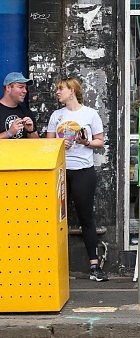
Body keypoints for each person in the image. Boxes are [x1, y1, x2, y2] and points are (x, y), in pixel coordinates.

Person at [47, 77, 107, 281]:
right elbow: (48, 144)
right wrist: (59, 144)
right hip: (61, 171)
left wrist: (86, 142)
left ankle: (94, 266)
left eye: (60, 89)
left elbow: (100, 141)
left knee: (85, 217)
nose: (57, 92)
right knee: (56, 218)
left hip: (83, 171)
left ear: (72, 90)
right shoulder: (56, 115)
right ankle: (55, 266)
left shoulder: (90, 114)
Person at [1, 72, 39, 139]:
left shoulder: (26, 112)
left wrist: (31, 131)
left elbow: (37, 144)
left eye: (25, 88)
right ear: (8, 88)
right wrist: (9, 133)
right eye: (21, 87)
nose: (25, 91)